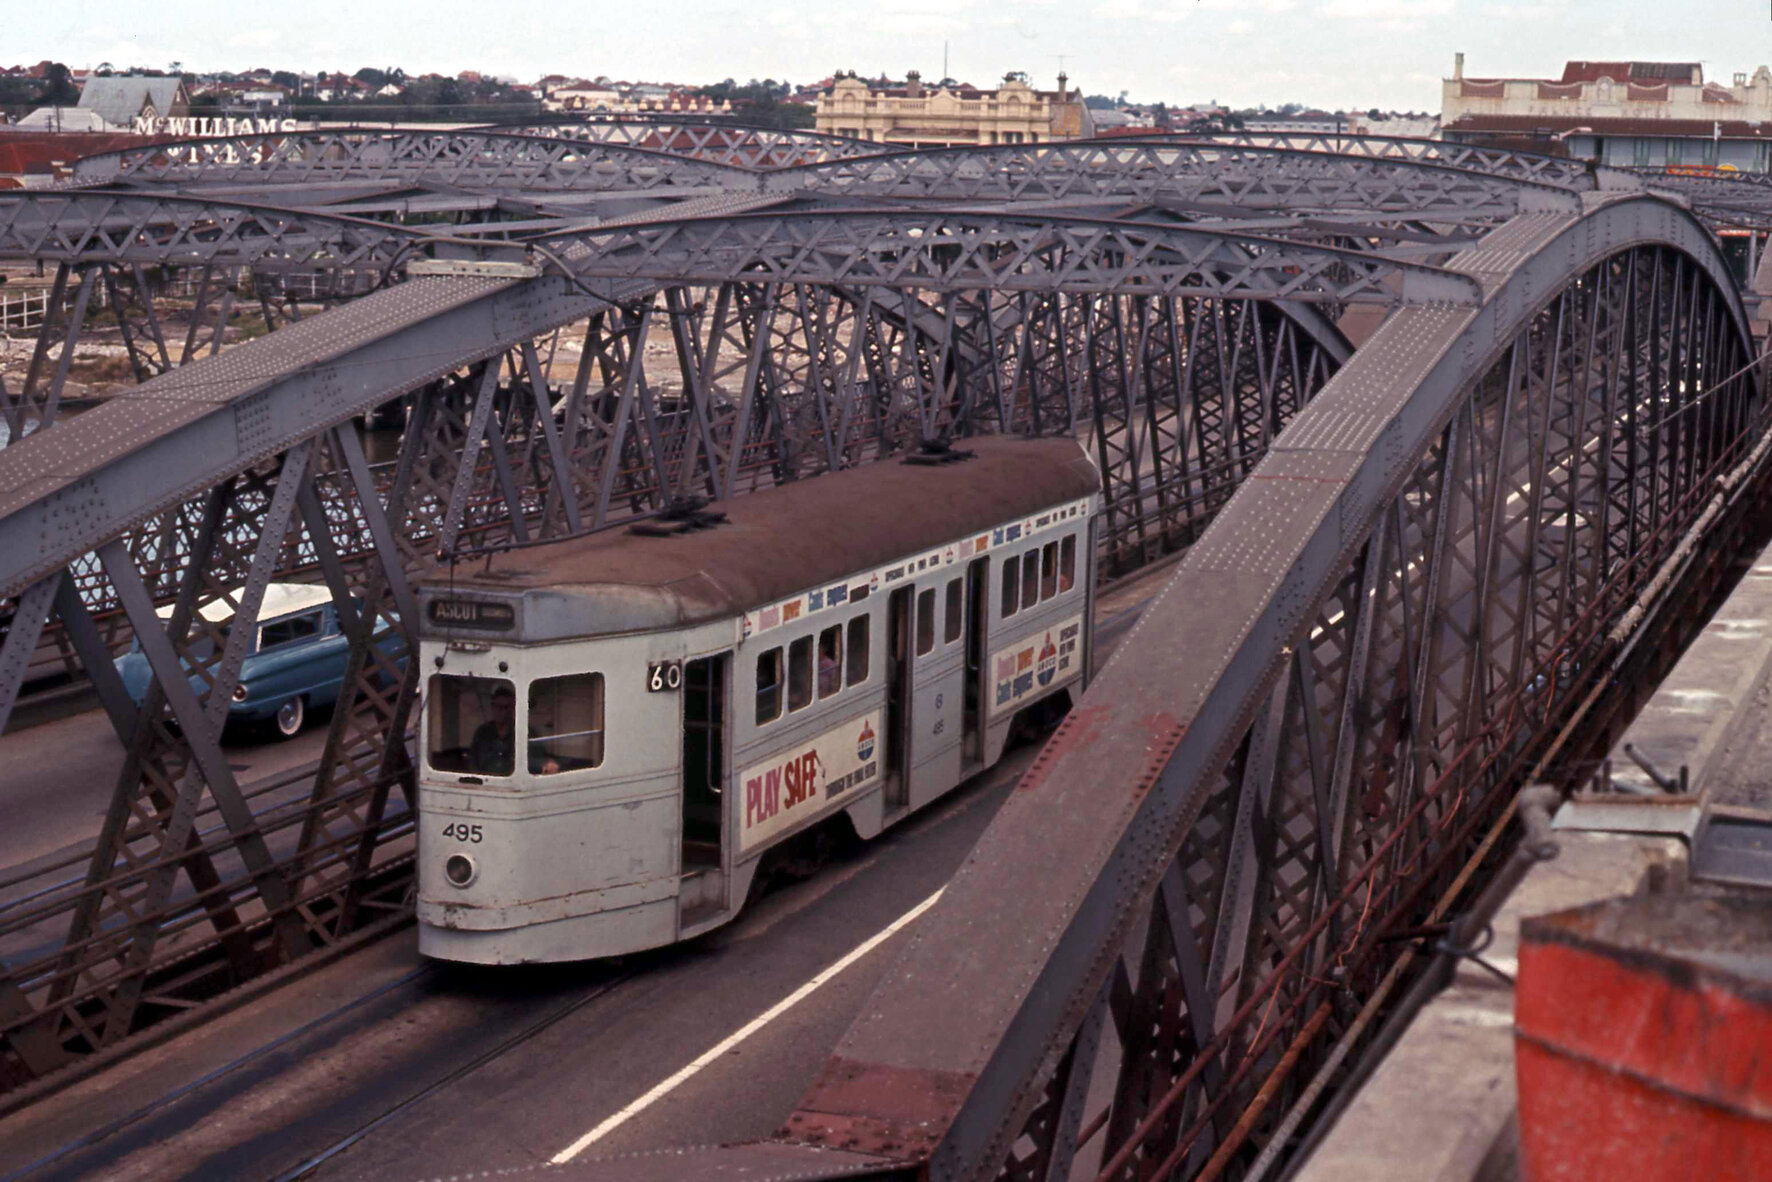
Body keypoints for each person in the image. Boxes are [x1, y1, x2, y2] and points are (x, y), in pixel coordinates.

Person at [468, 683, 517, 776]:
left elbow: (536, 759)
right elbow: (472, 761)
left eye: (506, 707)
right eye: (497, 706)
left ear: (512, 709)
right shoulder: (482, 732)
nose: (501, 711)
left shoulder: (525, 733)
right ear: (492, 707)